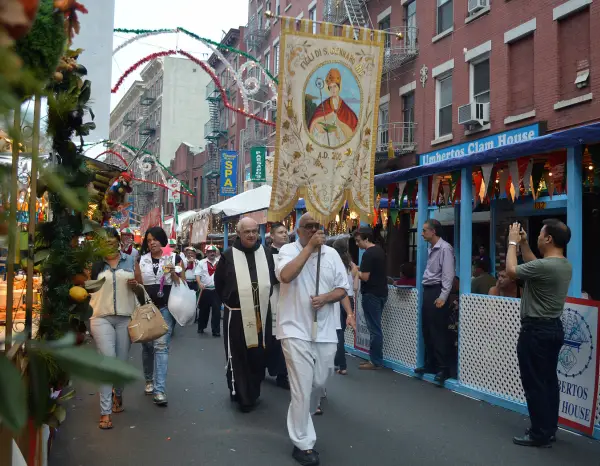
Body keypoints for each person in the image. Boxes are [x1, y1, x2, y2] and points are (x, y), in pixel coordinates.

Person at [276, 213, 349, 466]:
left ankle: (303, 416)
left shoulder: (332, 255)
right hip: (294, 328)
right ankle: (303, 443)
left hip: (326, 329)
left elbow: (343, 288)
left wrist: (327, 298)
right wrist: (309, 247)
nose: (315, 231)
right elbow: (286, 276)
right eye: (309, 227)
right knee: (301, 387)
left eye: (318, 227)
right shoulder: (287, 250)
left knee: (318, 382)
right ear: (298, 230)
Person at [506, 219, 572, 447]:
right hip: (552, 328)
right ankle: (548, 428)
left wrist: (512, 243)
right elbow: (533, 265)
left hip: (536, 331)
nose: (537, 237)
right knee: (548, 381)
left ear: (548, 239)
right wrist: (524, 244)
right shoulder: (561, 264)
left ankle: (538, 433)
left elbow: (512, 271)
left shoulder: (546, 266)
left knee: (534, 382)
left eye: (540, 234)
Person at [214, 218, 277, 413]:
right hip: (237, 315)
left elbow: (272, 279)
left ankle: (253, 390)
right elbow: (219, 284)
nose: (251, 235)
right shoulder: (228, 256)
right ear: (239, 233)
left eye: (254, 231)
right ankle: (242, 394)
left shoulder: (266, 253)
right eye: (246, 231)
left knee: (258, 354)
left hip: (261, 313)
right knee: (239, 355)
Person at [89, 228, 138, 430]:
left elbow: (141, 288)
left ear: (119, 241)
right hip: (100, 317)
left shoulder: (130, 261)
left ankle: (118, 394)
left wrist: (136, 285)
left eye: (112, 241)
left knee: (121, 361)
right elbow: (86, 288)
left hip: (125, 318)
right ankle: (105, 412)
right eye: (104, 241)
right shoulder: (95, 264)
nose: (109, 244)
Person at [134, 227, 183, 406]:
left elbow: (182, 282)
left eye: (155, 239)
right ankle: (149, 380)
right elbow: (138, 283)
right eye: (148, 240)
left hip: (165, 309)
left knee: (161, 347)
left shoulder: (174, 258)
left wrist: (172, 273)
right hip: (146, 309)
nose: (152, 243)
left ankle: (160, 390)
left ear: (162, 240)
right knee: (147, 347)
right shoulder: (141, 260)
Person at [416, 219, 455, 384]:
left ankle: (442, 368)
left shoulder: (445, 248)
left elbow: (448, 274)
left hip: (437, 290)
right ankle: (431, 363)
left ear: (434, 232)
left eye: (425, 230)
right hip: (429, 289)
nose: (422, 233)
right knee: (427, 328)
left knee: (438, 329)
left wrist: (443, 296)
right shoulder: (431, 248)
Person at [352, 226, 388, 370]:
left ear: (366, 239)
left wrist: (356, 271)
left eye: (358, 240)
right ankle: (375, 359)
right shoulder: (380, 251)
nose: (357, 244)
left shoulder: (367, 254)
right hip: (382, 292)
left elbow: (365, 277)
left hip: (371, 293)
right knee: (376, 327)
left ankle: (375, 361)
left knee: (374, 329)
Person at [265, 222, 290, 389]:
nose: (284, 234)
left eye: (286, 231)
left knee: (286, 340)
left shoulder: (293, 252)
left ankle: (283, 374)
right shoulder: (265, 253)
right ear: (272, 236)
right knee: (271, 337)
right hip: (272, 298)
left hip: (289, 299)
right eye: (280, 232)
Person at [307, 68, 359, 147]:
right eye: (330, 87)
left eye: (334, 86)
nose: (333, 89)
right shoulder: (324, 105)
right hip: (326, 138)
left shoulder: (344, 107)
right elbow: (315, 121)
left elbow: (352, 123)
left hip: (339, 139)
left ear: (339, 88)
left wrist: (339, 125)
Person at [332, 238, 358, 375]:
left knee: (338, 332)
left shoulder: (335, 263)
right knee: (341, 331)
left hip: (339, 298)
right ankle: (340, 363)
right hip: (350, 298)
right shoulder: (351, 265)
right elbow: (355, 280)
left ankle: (341, 364)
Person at [198, 245, 222, 336]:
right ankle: (201, 327)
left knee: (217, 311)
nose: (212, 253)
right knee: (204, 310)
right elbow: (197, 274)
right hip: (205, 290)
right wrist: (199, 283)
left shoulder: (220, 262)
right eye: (210, 252)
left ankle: (216, 331)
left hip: (216, 290)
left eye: (213, 251)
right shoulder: (201, 263)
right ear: (206, 253)